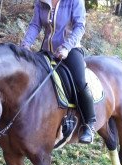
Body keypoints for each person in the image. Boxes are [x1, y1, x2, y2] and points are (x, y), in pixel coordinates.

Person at [21, 0, 96, 143]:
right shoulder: (41, 2)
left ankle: (89, 124)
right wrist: (25, 44)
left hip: (70, 49)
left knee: (80, 82)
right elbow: (35, 25)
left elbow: (79, 26)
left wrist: (67, 47)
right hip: (46, 51)